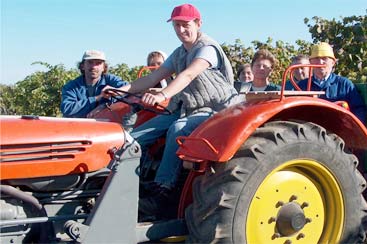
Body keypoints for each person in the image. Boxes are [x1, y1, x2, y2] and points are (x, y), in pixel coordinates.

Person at [114, 3, 242, 217]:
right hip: (184, 107)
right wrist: (120, 90)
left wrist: (163, 95)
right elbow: (153, 77)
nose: (181, 30)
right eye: (176, 26)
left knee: (178, 129)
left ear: (198, 23)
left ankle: (161, 192)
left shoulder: (207, 48)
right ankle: (118, 186)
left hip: (215, 109)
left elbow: (189, 74)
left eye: (185, 25)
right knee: (133, 137)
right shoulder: (179, 53)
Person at [289, 42, 367, 123]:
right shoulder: (301, 86)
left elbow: (359, 109)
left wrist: (351, 128)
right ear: (311, 62)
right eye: (317, 58)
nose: (320, 62)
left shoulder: (344, 84)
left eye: (324, 58)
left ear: (333, 62)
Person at [60, 50, 129, 118]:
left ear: (103, 67)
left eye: (98, 63)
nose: (94, 67)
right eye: (90, 62)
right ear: (82, 66)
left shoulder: (111, 80)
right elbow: (67, 109)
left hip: (106, 126)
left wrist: (104, 106)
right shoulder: (71, 86)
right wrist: (97, 98)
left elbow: (129, 92)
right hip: (79, 126)